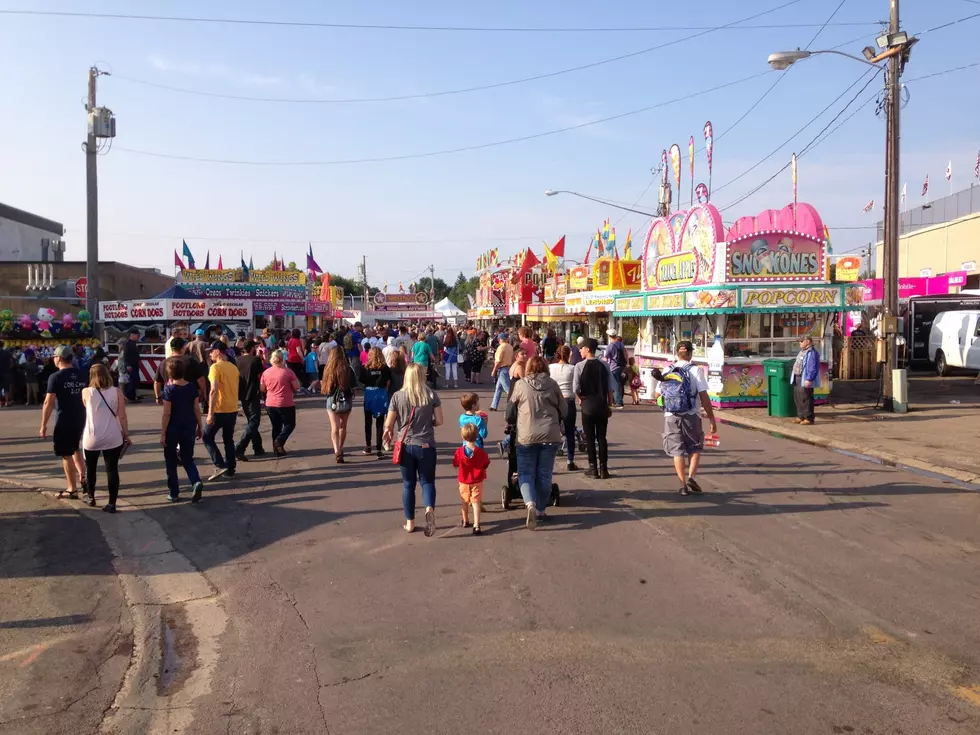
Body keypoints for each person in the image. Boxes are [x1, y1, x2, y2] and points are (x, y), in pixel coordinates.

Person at [384, 363, 443, 536]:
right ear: (422, 376)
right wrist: (427, 424)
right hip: (426, 445)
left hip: (406, 445)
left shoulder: (397, 396)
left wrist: (389, 431)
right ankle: (429, 508)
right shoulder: (431, 395)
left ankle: (410, 522)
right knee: (427, 482)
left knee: (408, 485)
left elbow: (389, 423)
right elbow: (439, 420)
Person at [506, 356, 565, 529]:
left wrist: (514, 419)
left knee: (525, 472)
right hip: (549, 434)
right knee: (544, 474)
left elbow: (510, 412)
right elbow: (564, 410)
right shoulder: (553, 384)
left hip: (526, 435)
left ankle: (530, 503)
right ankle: (540, 510)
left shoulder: (521, 385)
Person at [654, 340, 717, 496]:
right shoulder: (696, 370)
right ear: (690, 353)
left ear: (677, 353)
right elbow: (703, 396)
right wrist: (711, 419)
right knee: (695, 447)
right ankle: (691, 477)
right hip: (691, 414)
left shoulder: (668, 369)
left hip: (671, 415)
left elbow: (657, 395)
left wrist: (666, 405)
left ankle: (683, 485)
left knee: (677, 451)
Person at [39, 345, 87, 498]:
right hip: (81, 416)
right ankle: (83, 477)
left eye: (54, 356)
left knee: (66, 454)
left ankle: (72, 489)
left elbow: (49, 402)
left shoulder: (56, 377)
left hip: (65, 418)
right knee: (75, 448)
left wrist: (43, 425)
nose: (53, 359)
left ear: (59, 358)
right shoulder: (81, 375)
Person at [81, 363, 129, 512]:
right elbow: (122, 416)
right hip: (112, 435)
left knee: (91, 468)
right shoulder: (117, 392)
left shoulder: (86, 392)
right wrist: (125, 433)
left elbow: (86, 408)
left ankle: (90, 496)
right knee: (112, 469)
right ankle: (112, 503)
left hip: (92, 435)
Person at [160, 356, 204, 504]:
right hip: (189, 426)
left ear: (169, 373)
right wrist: (200, 426)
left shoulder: (169, 390)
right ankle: (195, 481)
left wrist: (163, 432)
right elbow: (196, 409)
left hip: (173, 427)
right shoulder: (191, 387)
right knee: (187, 458)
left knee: (171, 461)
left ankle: (174, 492)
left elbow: (167, 413)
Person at [574, 339, 613, 479]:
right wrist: (610, 404)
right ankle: (604, 468)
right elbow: (609, 388)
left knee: (590, 438)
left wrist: (580, 397)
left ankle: (593, 468)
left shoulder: (579, 366)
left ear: (588, 349)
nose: (579, 351)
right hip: (602, 405)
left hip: (587, 406)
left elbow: (576, 388)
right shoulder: (604, 365)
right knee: (602, 437)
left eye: (581, 349)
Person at [202, 341, 241, 481]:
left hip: (219, 408)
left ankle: (219, 464)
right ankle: (230, 469)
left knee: (206, 436)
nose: (210, 354)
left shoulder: (215, 368)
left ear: (218, 351)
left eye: (211, 351)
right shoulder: (233, 367)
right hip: (232, 407)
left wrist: (210, 413)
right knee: (228, 439)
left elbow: (213, 390)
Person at [261, 350, 301, 456]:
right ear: (282, 359)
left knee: (276, 426)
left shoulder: (266, 372)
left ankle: (277, 449)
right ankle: (279, 441)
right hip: (285, 402)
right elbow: (297, 386)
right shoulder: (288, 372)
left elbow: (262, 388)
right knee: (290, 424)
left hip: (270, 402)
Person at [453, 422, 490, 535]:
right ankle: (477, 525)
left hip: (464, 480)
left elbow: (455, 463)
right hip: (477, 480)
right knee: (476, 502)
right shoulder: (480, 452)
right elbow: (486, 463)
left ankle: (465, 520)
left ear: (463, 436)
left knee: (464, 501)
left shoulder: (459, 452)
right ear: (477, 435)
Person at [322, 345, 357, 463]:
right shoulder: (348, 368)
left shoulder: (328, 369)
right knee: (343, 426)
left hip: (332, 400)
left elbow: (325, 387)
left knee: (334, 427)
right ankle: (341, 448)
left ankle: (337, 450)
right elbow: (353, 385)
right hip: (345, 399)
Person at [235, 340, 266, 461]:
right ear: (252, 348)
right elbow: (260, 376)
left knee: (251, 420)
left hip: (242, 393)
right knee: (254, 422)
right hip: (253, 392)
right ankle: (240, 447)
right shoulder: (255, 360)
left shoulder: (238, 360)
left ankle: (257, 447)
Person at [549, 344, 579, 471]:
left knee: (553, 431)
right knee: (570, 431)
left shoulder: (550, 367)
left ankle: (550, 458)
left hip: (554, 400)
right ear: (569, 355)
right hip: (568, 399)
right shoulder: (573, 368)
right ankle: (570, 460)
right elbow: (576, 385)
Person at [359, 347, 391, 459]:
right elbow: (388, 382)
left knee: (367, 421)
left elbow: (362, 381)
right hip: (381, 393)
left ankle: (368, 445)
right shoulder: (385, 368)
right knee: (380, 422)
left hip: (369, 393)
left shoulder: (366, 367)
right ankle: (378, 449)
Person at [790, 335, 820, 426]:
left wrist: (809, 379)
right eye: (799, 341)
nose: (800, 343)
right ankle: (800, 416)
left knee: (806, 398)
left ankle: (809, 418)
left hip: (804, 378)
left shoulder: (812, 353)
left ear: (808, 341)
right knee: (798, 398)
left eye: (801, 341)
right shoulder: (802, 351)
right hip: (797, 377)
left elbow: (813, 368)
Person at [489, 334, 514, 412]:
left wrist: (494, 370)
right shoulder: (510, 346)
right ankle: (494, 405)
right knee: (498, 388)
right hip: (507, 367)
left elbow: (498, 361)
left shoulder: (501, 347)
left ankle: (516, 404)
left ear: (500, 339)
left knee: (507, 389)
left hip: (502, 369)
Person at [604, 329, 628, 410]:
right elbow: (625, 354)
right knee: (620, 384)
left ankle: (618, 402)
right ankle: (618, 399)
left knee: (615, 384)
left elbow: (606, 358)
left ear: (610, 336)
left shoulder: (610, 346)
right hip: (622, 366)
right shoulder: (621, 344)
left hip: (614, 367)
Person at [121, 328, 142, 402]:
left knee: (135, 380)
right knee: (132, 380)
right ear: (132, 336)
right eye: (137, 335)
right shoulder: (128, 344)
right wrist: (128, 365)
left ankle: (133, 396)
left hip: (135, 364)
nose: (138, 337)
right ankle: (129, 395)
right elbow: (126, 355)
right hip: (131, 365)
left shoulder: (133, 343)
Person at [0, 340, 14, 407]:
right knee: (6, 388)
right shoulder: (7, 352)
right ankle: (6, 401)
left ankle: (0, 402)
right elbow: (11, 363)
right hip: (6, 372)